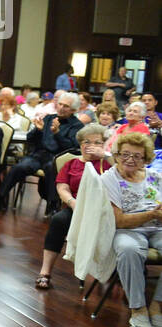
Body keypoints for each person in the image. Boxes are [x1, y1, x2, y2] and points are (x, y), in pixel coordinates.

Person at [34, 124, 112, 289]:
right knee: (58, 220)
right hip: (76, 207)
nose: (90, 146)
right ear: (80, 144)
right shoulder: (71, 164)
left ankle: (106, 271)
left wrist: (105, 155)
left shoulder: (108, 164)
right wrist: (72, 203)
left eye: (97, 142)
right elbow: (62, 188)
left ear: (103, 145)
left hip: (105, 210)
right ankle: (45, 271)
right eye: (86, 142)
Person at [0, 92, 83, 213]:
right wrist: (38, 130)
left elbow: (72, 147)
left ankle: (53, 206)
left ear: (73, 109)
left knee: (51, 168)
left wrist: (57, 133)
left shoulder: (77, 125)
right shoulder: (48, 118)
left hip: (58, 158)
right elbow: (29, 139)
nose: (61, 108)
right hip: (38, 155)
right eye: (60, 104)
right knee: (18, 168)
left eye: (66, 106)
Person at [104, 132, 162, 327]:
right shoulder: (109, 178)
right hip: (127, 229)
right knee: (129, 249)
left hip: (158, 228)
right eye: (125, 154)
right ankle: (138, 308)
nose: (130, 160)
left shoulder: (155, 176)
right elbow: (119, 220)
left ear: (145, 159)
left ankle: (157, 305)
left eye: (136, 156)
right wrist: (150, 214)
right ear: (117, 155)